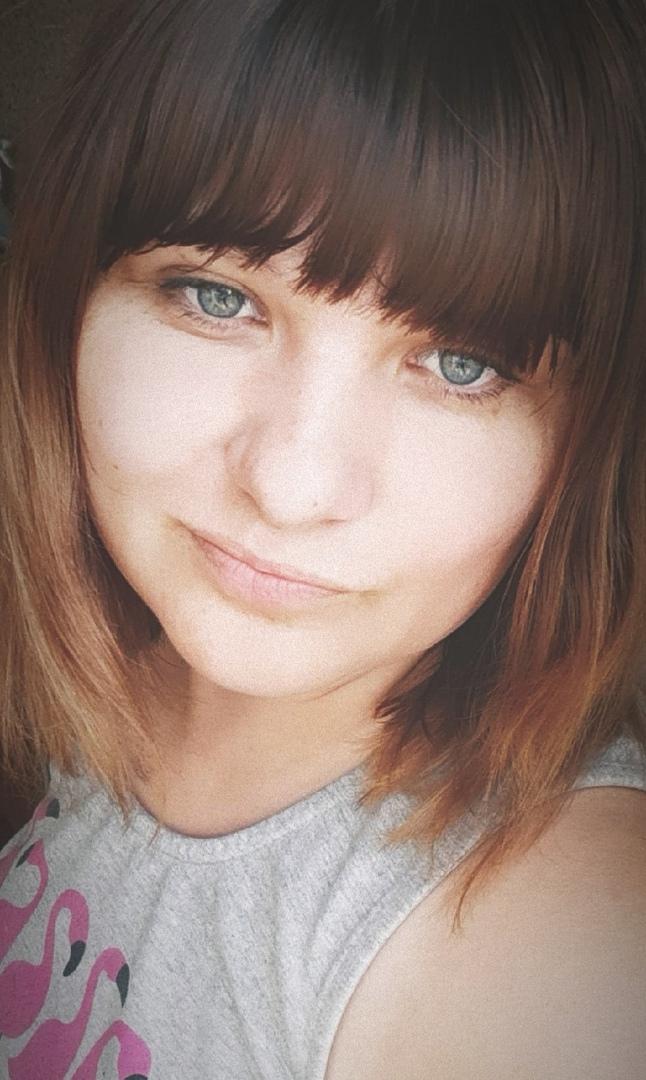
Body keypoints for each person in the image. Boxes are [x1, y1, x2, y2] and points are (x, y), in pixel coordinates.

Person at [1, 0, 645, 1076]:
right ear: (69, 299)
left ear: (582, 452)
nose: (292, 489)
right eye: (217, 298)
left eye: (460, 365)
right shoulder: (103, 663)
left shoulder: (557, 946)